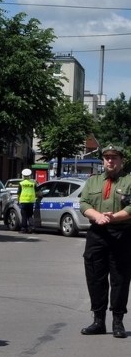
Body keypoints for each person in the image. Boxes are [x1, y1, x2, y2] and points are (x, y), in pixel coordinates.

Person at [79, 145, 131, 338]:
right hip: (97, 234)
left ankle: (118, 322)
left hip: (121, 234)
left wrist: (113, 217)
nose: (110, 161)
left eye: (114, 157)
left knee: (120, 279)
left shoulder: (129, 180)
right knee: (95, 278)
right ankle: (98, 321)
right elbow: (84, 203)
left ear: (121, 160)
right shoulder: (93, 182)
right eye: (107, 157)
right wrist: (97, 216)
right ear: (103, 160)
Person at [17, 168, 37, 234]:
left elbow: (18, 193)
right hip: (31, 202)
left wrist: (18, 201)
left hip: (23, 202)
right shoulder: (33, 183)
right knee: (30, 215)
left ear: (23, 176)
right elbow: (37, 192)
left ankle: (23, 229)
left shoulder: (21, 183)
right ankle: (32, 228)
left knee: (24, 216)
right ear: (30, 176)